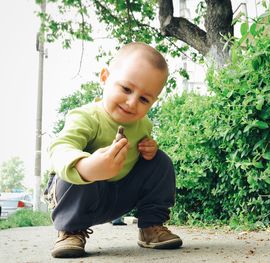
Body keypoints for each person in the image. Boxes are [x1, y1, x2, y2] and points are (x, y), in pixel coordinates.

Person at [45, 42, 182, 258]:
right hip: (79, 197)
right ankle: (71, 230)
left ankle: (151, 227)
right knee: (73, 168)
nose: (131, 102)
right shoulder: (86, 117)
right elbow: (59, 149)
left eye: (144, 99)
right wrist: (87, 167)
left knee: (160, 161)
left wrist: (149, 149)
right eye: (126, 89)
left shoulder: (143, 124)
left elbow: (145, 160)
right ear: (105, 77)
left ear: (153, 102)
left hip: (118, 196)